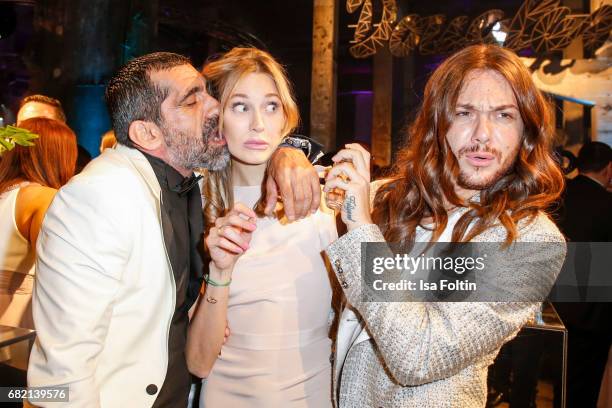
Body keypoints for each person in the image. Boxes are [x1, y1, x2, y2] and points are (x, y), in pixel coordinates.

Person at [27, 51, 320, 407]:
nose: (212, 106)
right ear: (148, 133)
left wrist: (290, 151)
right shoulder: (100, 197)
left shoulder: (195, 186)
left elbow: (398, 309)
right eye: (193, 99)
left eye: (272, 106)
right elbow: (60, 376)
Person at [323, 44, 567, 407]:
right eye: (464, 112)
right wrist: (289, 157)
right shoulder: (388, 197)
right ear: (438, 123)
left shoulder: (532, 240)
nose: (482, 134)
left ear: (525, 132)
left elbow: (419, 356)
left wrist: (360, 225)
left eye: (503, 115)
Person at [186, 47, 336, 407]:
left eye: (270, 106)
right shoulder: (195, 209)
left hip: (313, 395)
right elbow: (198, 362)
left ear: (285, 116)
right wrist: (219, 271)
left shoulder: (326, 201)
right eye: (240, 106)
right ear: (216, 117)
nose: (258, 124)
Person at [0, 117, 77, 329]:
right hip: (17, 325)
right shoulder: (44, 198)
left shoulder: (6, 194)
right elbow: (56, 275)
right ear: (59, 156)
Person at [554, 141, 612, 408]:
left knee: (560, 379)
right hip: (593, 312)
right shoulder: (608, 204)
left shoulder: (559, 195)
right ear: (609, 169)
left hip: (554, 305)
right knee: (584, 387)